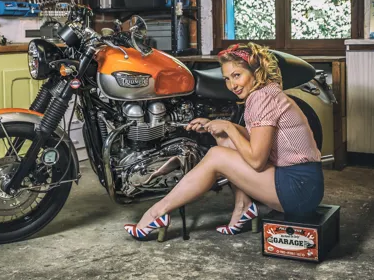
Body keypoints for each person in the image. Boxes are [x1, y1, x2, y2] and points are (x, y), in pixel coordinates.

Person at [124, 42, 324, 239]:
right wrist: (216, 125)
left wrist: (228, 126)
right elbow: (256, 139)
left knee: (216, 155)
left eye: (237, 75)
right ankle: (243, 207)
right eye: (227, 79)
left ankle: (156, 213)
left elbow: (257, 160)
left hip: (299, 189)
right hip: (303, 184)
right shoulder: (265, 93)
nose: (232, 85)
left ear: (256, 71)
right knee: (224, 138)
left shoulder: (262, 99)